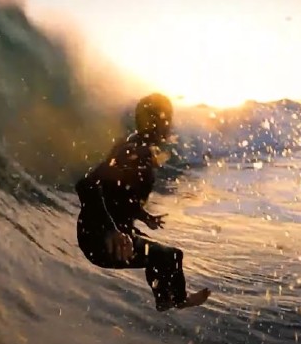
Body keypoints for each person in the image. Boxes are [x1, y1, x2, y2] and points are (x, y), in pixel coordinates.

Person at [75, 93, 211, 312]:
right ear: (156, 122)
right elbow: (87, 185)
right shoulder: (133, 151)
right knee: (170, 255)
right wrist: (111, 231)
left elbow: (119, 195)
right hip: (100, 239)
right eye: (168, 119)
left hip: (110, 232)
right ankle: (175, 299)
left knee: (160, 254)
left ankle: (165, 299)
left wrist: (145, 217)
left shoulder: (140, 148)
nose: (171, 126)